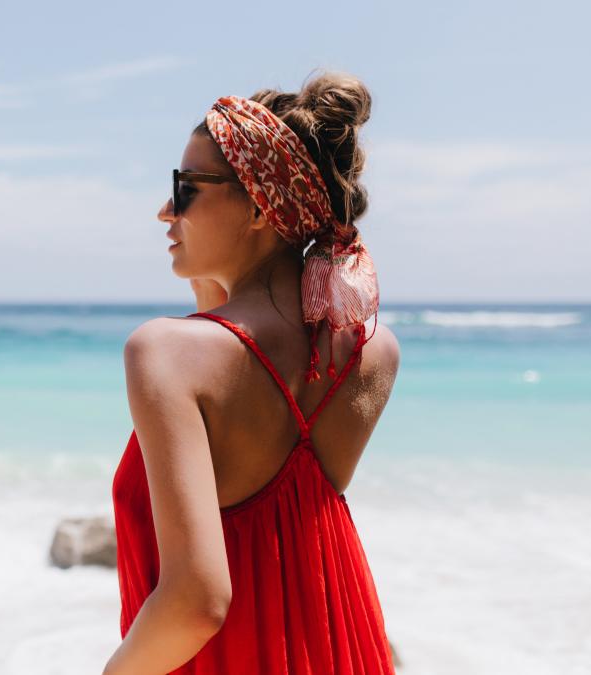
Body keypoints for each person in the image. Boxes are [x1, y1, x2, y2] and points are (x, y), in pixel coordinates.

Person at [104, 71, 401, 675]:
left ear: (262, 205)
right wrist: (213, 281)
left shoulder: (165, 353)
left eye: (187, 188)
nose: (165, 210)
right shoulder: (371, 351)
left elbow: (197, 603)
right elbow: (282, 530)